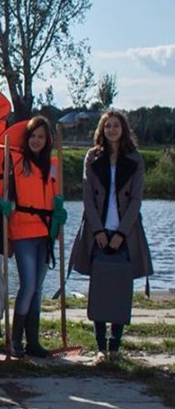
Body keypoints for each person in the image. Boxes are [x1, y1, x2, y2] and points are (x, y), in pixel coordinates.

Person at [70, 111, 153, 362]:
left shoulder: (135, 159)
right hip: (99, 232)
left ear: (123, 129)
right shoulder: (93, 157)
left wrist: (120, 232)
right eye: (108, 126)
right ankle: (99, 346)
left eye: (117, 125)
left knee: (120, 289)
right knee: (99, 288)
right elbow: (87, 197)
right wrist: (97, 230)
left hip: (125, 233)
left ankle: (115, 347)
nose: (112, 129)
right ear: (102, 130)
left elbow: (136, 200)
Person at [4, 116, 65, 358]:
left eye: (41, 136)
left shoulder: (52, 165)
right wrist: (5, 206)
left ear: (47, 140)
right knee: (28, 286)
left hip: (45, 231)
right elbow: (8, 195)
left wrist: (59, 215)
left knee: (38, 289)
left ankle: (33, 341)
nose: (36, 140)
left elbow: (55, 196)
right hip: (23, 231)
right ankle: (16, 340)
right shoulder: (17, 162)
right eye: (33, 136)